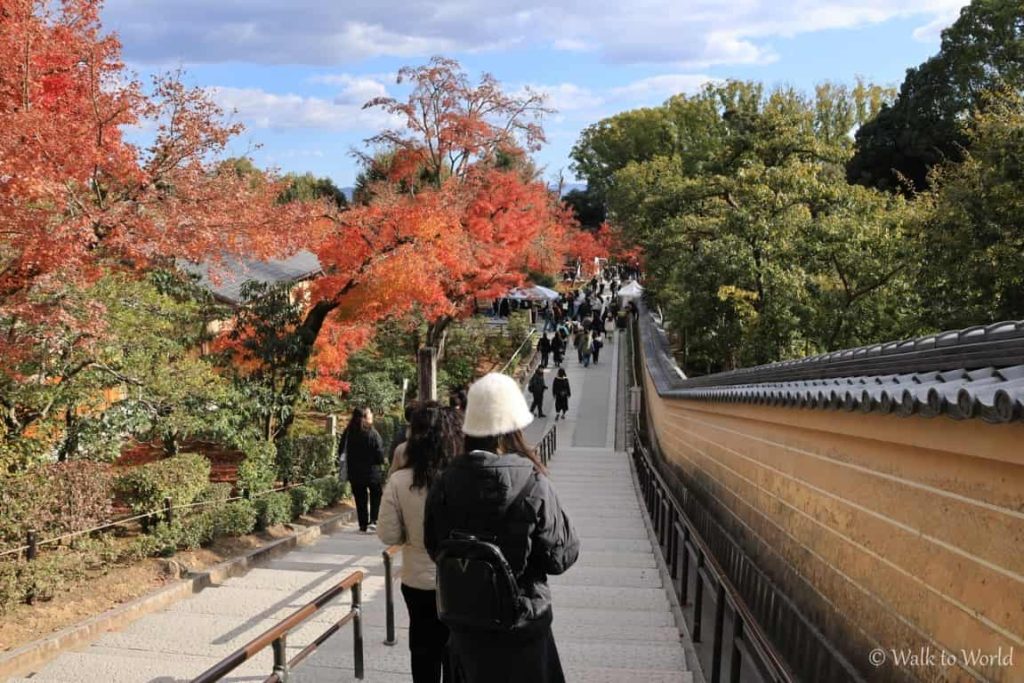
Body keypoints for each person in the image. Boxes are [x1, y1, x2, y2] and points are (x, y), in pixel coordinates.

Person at [425, 373, 580, 683]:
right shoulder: (533, 483)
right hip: (523, 629)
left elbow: (434, 546)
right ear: (514, 429)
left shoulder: (444, 482)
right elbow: (560, 557)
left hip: (466, 628)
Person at [378, 403, 462, 683]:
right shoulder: (462, 477)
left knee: (423, 651)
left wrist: (410, 536)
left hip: (417, 580)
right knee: (457, 652)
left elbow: (388, 535)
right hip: (459, 579)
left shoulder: (399, 480)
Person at [340, 407, 386, 533]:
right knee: (376, 495)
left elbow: (341, 450)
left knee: (360, 498)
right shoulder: (372, 432)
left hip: (355, 472)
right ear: (365, 417)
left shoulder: (349, 432)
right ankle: (374, 521)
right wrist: (380, 462)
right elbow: (379, 452)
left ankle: (362, 524)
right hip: (372, 471)